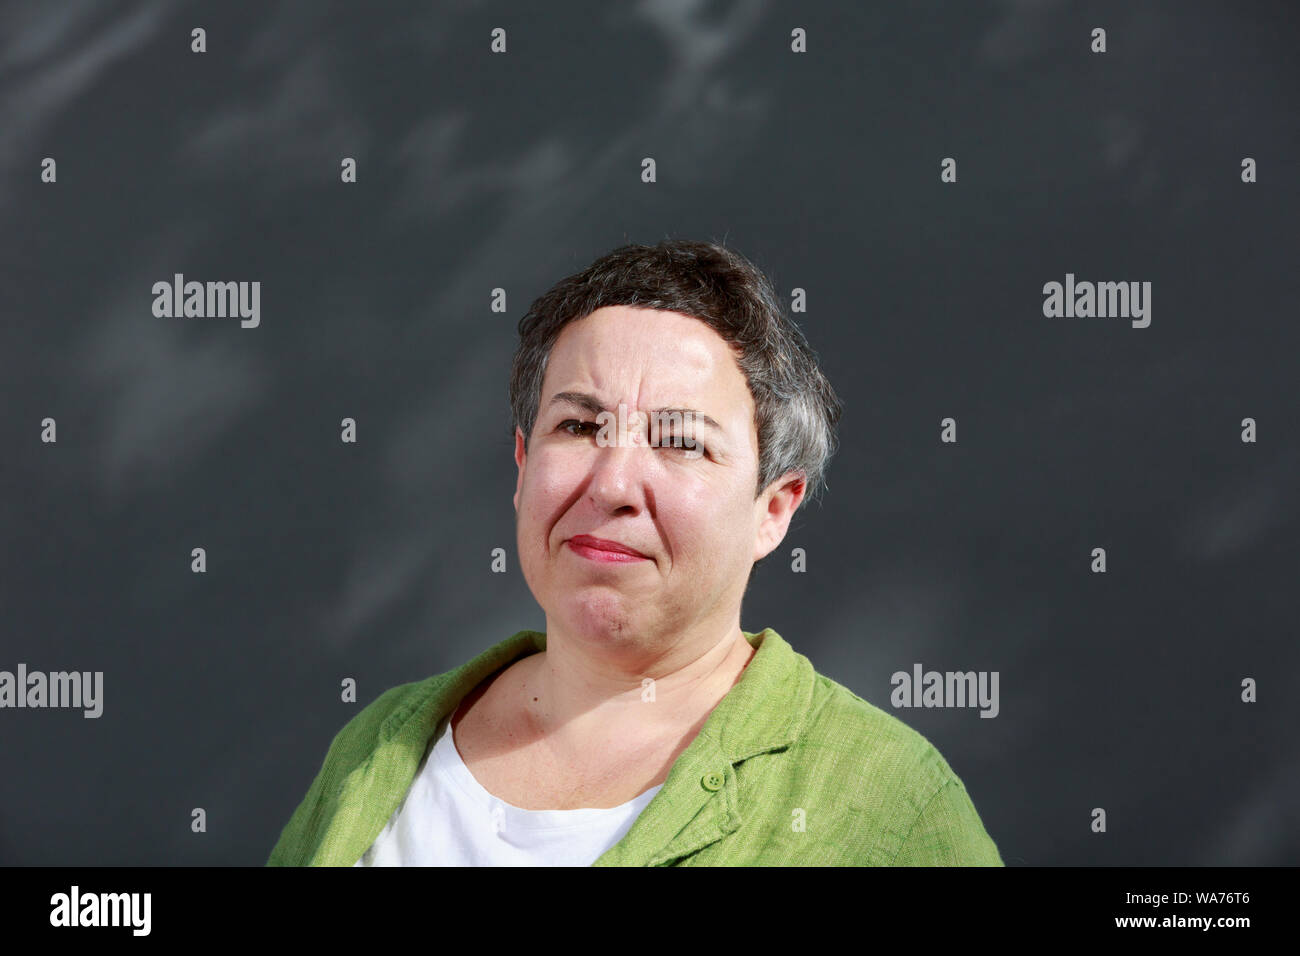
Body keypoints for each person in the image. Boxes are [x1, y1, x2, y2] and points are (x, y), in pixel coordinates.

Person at [266, 239, 1002, 866]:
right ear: (523, 466)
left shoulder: (887, 808)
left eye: (681, 442)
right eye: (579, 427)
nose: (613, 482)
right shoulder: (383, 746)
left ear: (772, 510)